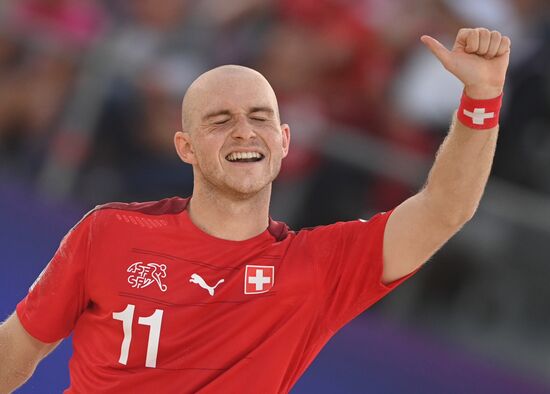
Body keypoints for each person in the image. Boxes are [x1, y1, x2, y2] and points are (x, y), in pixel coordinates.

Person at [0, 27, 511, 393]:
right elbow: (17, 351)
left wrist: (482, 96)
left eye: (260, 117)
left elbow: (445, 208)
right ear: (185, 146)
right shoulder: (109, 231)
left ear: (284, 141)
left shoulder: (319, 267)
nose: (244, 130)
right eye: (220, 119)